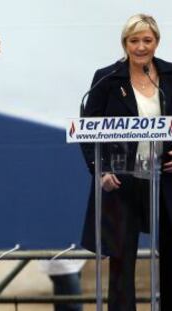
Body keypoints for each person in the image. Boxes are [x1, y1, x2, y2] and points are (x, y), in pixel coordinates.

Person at [80, 14, 172, 310]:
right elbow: (88, 131)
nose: (141, 47)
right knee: (120, 264)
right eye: (134, 41)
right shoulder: (107, 79)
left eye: (147, 40)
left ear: (156, 42)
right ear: (125, 44)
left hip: (165, 181)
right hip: (121, 182)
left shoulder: (171, 76)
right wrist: (101, 170)